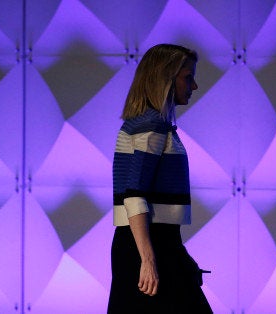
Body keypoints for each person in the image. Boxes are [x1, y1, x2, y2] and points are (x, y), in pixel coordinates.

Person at [107, 44, 212, 313]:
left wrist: (179, 255)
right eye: (188, 77)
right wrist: (149, 260)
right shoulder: (151, 125)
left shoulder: (150, 124)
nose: (194, 85)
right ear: (166, 77)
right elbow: (134, 195)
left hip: (154, 244)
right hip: (147, 247)